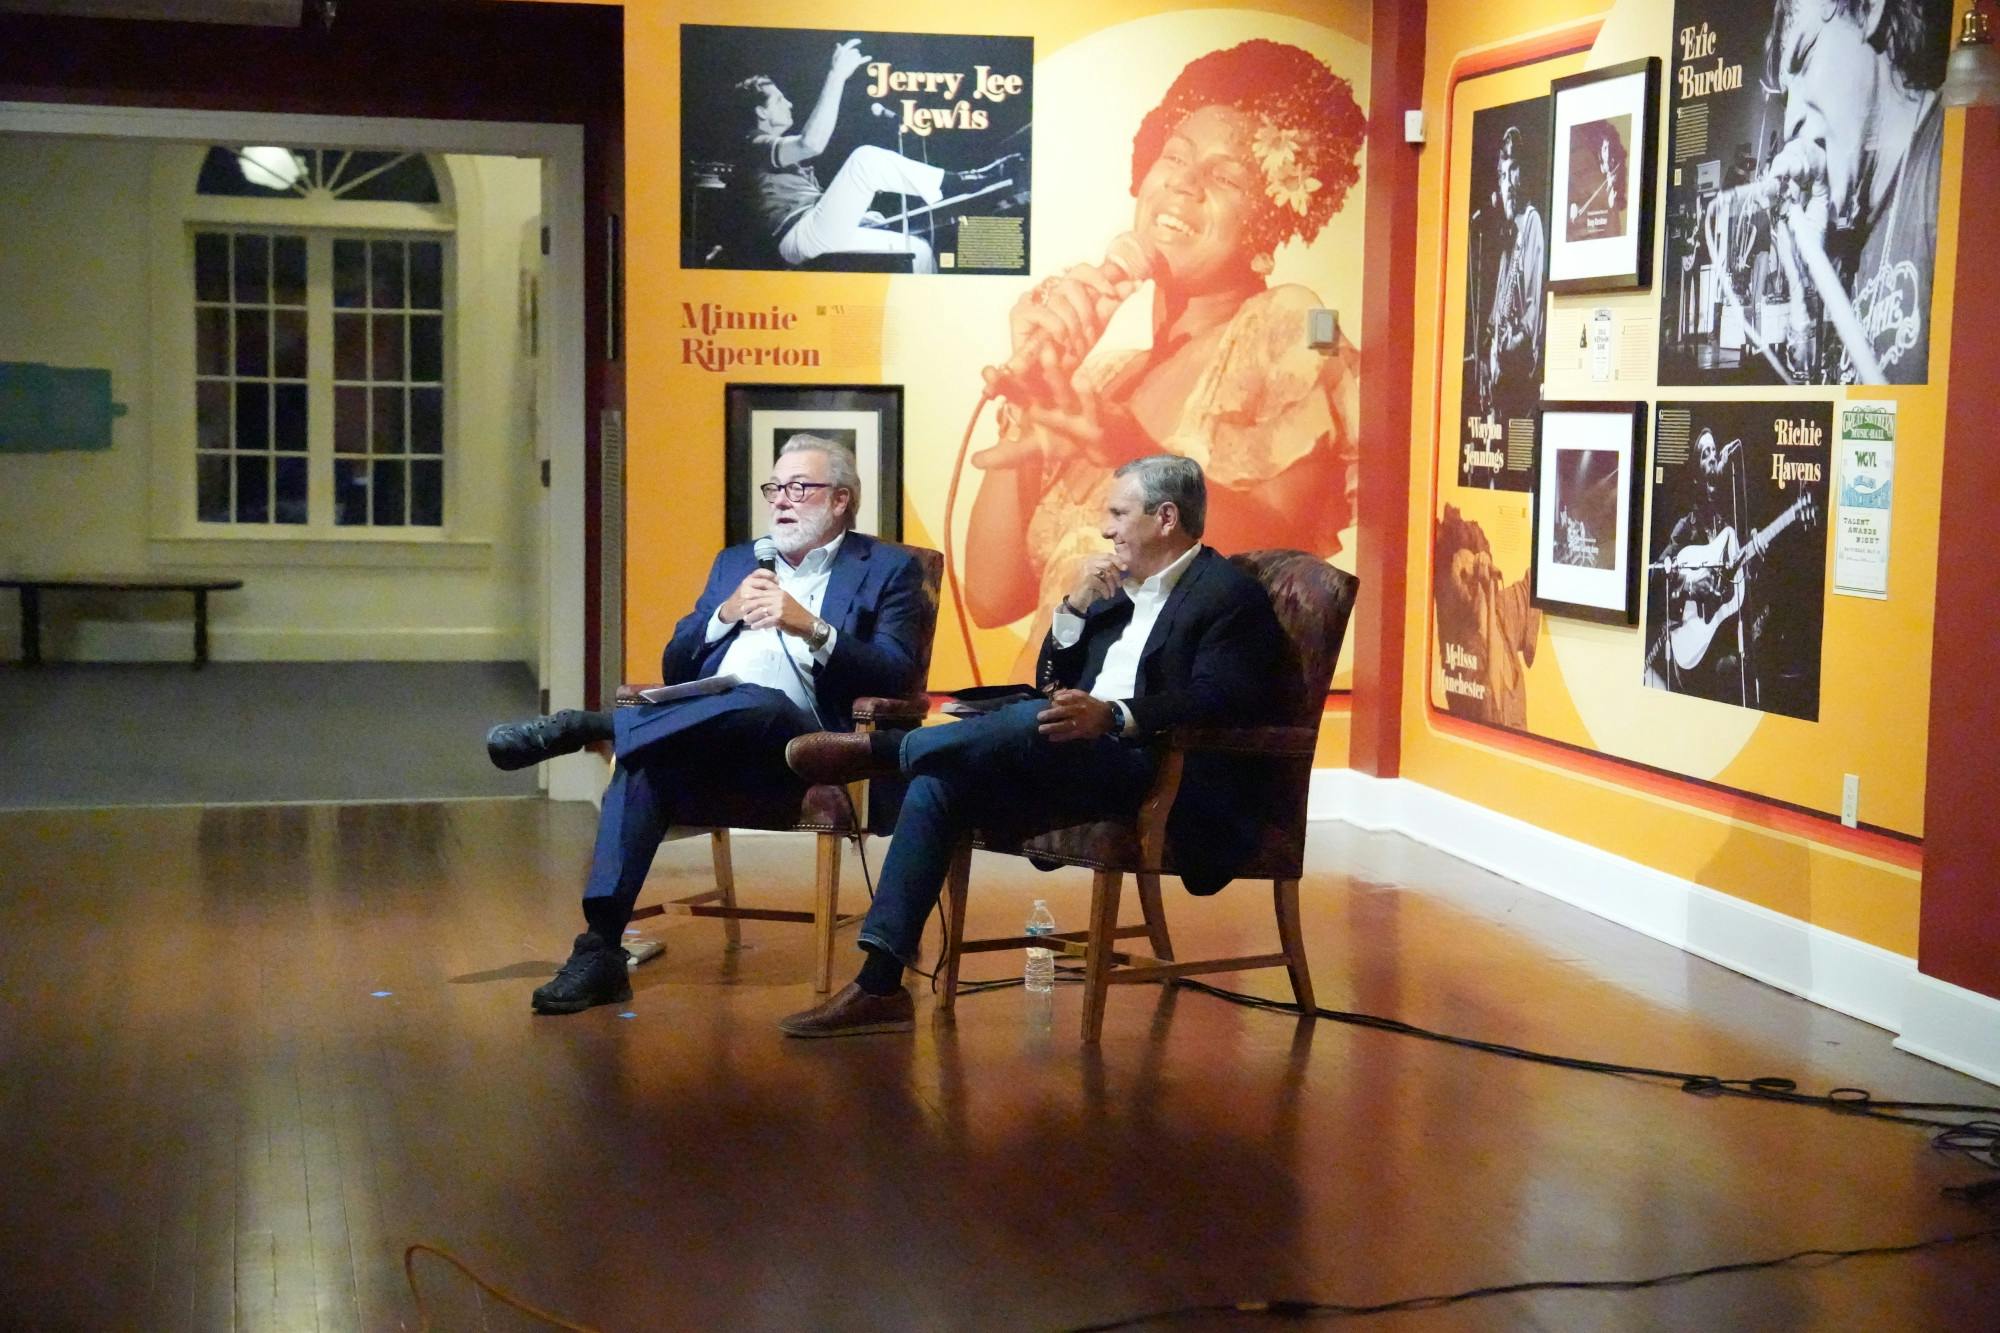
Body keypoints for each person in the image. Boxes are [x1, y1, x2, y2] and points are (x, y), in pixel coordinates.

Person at [776, 456, 1287, 1037]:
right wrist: (1071, 612)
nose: (1107, 530)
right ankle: (879, 984)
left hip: (1153, 766)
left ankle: (885, 751)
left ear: (1165, 517)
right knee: (942, 783)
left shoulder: (1227, 594)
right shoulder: (1116, 588)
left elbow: (1224, 698)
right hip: (1073, 752)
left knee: (1030, 719)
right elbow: (1053, 677)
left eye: (1119, 514)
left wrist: (1115, 715)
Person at [483, 436, 930, 1014]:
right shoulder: (737, 562)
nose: (781, 501)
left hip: (805, 743)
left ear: (841, 500)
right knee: (647, 763)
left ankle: (593, 726)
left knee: (761, 700)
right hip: (708, 735)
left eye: (800, 488)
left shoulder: (889, 568)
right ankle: (599, 950)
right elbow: (677, 664)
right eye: (775, 488)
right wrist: (724, 615)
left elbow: (898, 674)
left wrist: (812, 628)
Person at [960, 39, 1365, 673]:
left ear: (1270, 220)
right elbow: (990, 598)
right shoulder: (1103, 378)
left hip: (1159, 724)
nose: (1183, 181)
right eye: (1174, 156)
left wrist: (1132, 453)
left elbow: (1281, 567)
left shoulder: (1288, 322)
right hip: (1044, 713)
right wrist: (1036, 396)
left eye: (1225, 175)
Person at [1746, 0, 1949, 383]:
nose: (1791, 123)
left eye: (1804, 58)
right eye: (1787, 99)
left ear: (1871, 10)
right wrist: (1802, 277)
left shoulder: (1952, 158)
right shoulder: (1859, 230)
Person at [730, 38, 1017, 273]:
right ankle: (962, 180)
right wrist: (837, 75)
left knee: (917, 251)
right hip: (797, 236)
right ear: (761, 112)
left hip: (813, 230)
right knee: (865, 159)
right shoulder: (753, 143)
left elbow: (812, 192)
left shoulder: (778, 153)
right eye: (780, 99)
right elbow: (812, 143)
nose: (789, 103)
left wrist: (857, 216)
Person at [1482, 125, 1546, 423]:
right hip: (1502, 375)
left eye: (1511, 175)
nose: (1505, 186)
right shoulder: (1509, 237)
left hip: (1519, 378)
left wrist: (1512, 340)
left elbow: (1533, 312)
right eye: (1501, 176)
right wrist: (1490, 348)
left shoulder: (1532, 225)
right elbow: (1497, 312)